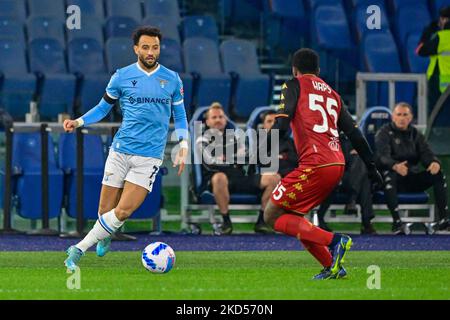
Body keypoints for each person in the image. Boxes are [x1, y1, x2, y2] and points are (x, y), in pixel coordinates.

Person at [63, 27, 189, 271]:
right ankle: (105, 233)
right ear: (136, 49)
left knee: (123, 211)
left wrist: (184, 145)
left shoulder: (172, 79)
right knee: (104, 211)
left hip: (149, 156)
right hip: (120, 151)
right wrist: (78, 122)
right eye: (145, 47)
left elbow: (180, 115)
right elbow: (102, 108)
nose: (151, 52)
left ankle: (79, 248)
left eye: (155, 47)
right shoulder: (121, 76)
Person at [262, 48, 383, 280]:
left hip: (315, 164)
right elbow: (355, 134)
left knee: (271, 215)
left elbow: (283, 120)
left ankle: (336, 241)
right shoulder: (333, 95)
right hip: (336, 163)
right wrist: (371, 166)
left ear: (294, 70)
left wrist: (261, 151)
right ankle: (332, 266)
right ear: (318, 70)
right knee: (295, 220)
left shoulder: (293, 84)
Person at [196, 102, 279, 235]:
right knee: (219, 177)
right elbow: (211, 163)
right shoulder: (202, 139)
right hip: (218, 180)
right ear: (207, 121)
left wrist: (225, 157)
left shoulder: (236, 137)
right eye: (214, 117)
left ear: (225, 120)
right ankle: (226, 222)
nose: (218, 120)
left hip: (240, 176)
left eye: (221, 117)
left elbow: (249, 157)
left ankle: (262, 221)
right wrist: (235, 158)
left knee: (274, 178)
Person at [375, 102, 449, 234]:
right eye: (399, 114)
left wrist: (434, 162)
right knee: (388, 174)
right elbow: (382, 157)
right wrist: (395, 166)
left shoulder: (415, 134)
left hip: (411, 177)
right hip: (393, 177)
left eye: (405, 115)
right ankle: (397, 222)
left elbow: (426, 153)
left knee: (437, 174)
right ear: (393, 117)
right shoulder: (384, 132)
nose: (402, 118)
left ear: (410, 118)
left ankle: (443, 220)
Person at [317, 133, 377, 235]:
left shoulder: (353, 137)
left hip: (351, 176)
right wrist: (349, 155)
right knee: (363, 178)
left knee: (361, 167)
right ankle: (366, 222)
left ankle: (351, 201)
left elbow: (369, 157)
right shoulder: (326, 137)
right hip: (334, 173)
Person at [416, 6, 450, 115]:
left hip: (440, 80)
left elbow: (420, 51)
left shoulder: (442, 37)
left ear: (445, 20)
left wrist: (427, 34)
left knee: (436, 114)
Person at [258, 110, 298, 178]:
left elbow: (295, 160)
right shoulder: (257, 141)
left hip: (291, 176)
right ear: (263, 125)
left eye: (276, 122)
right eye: (269, 121)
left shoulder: (290, 141)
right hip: (270, 177)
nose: (273, 124)